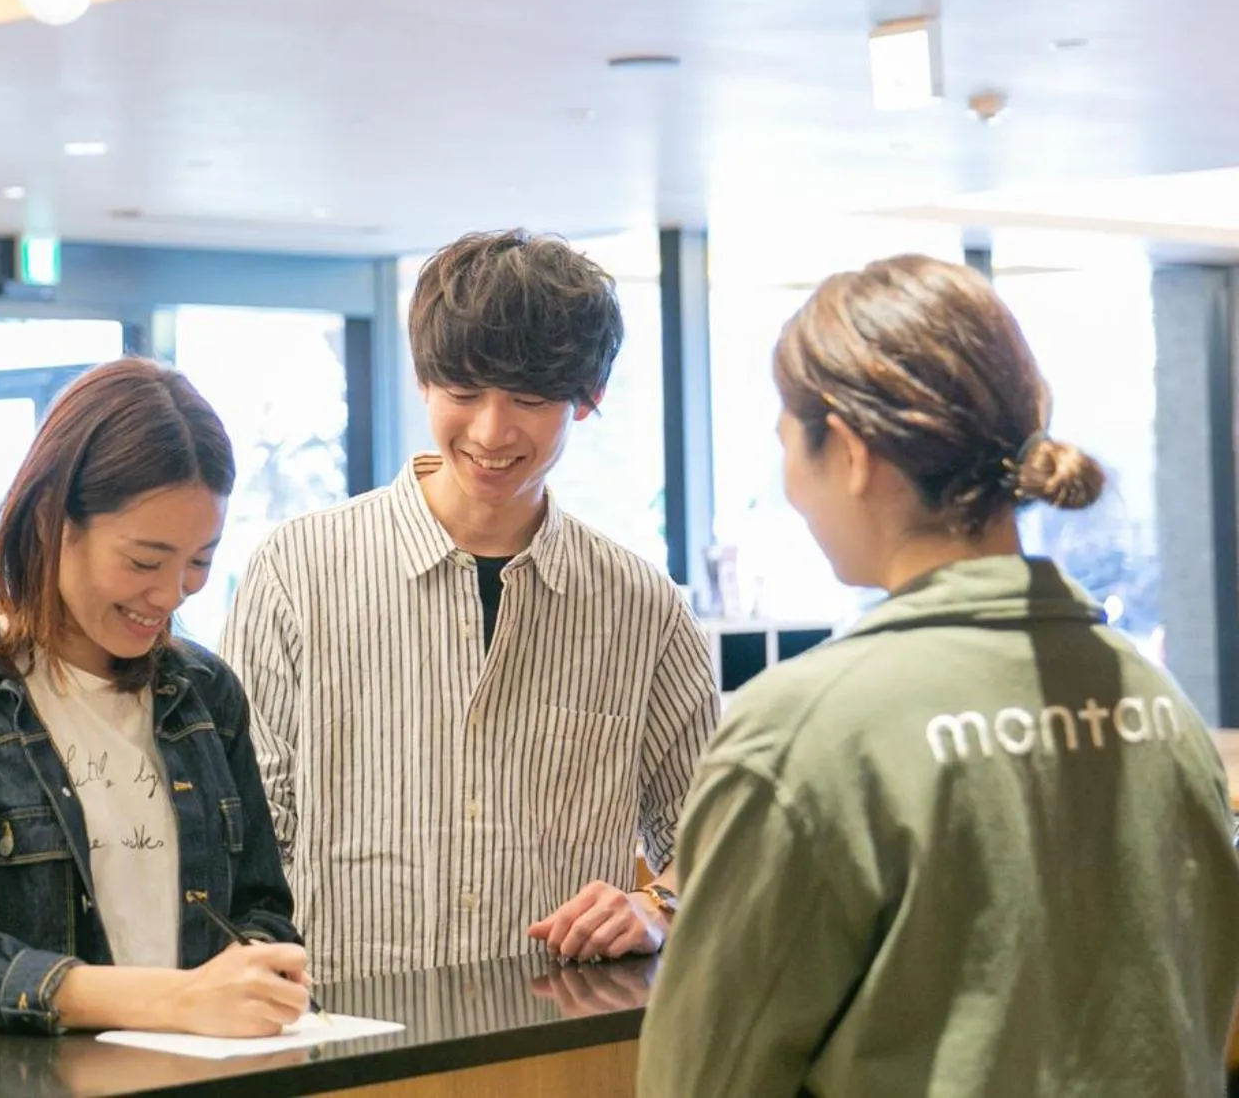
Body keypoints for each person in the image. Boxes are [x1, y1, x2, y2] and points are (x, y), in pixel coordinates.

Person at [638, 254, 1239, 1097]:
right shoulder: (1155, 704)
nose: (791, 490)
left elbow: (700, 1079)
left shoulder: (806, 734)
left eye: (788, 446)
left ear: (847, 450)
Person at [225, 229, 719, 982]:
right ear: (424, 381)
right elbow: (247, 834)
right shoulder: (296, 571)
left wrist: (657, 905)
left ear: (587, 398)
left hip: (551, 1037)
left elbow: (714, 833)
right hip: (342, 1032)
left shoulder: (640, 605)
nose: (491, 432)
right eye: (463, 394)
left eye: (528, 399)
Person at [0, 358, 310, 1041]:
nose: (172, 592)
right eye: (145, 560)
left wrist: (260, 970)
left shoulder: (205, 694)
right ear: (50, 523)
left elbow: (259, 905)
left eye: (200, 561)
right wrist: (170, 999)